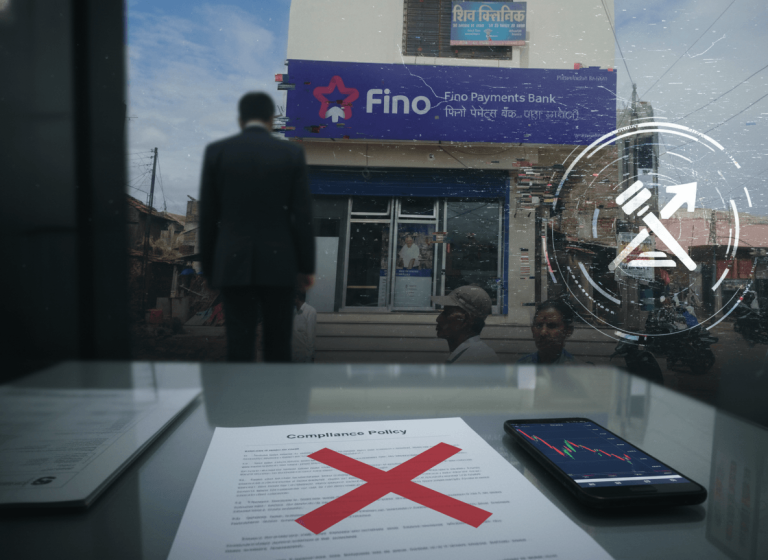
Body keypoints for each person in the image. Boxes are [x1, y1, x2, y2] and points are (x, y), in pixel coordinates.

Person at [199, 92, 315, 362]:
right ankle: (274, 402)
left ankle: (241, 402)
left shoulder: (217, 152)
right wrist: (306, 267)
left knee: (239, 344)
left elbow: (207, 217)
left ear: (240, 120)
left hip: (233, 263)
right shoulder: (291, 153)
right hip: (279, 265)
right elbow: (302, 216)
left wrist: (208, 268)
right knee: (277, 344)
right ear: (271, 119)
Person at [431, 285, 499, 364]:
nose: (438, 319)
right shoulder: (471, 354)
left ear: (466, 319)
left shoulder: (476, 359)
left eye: (447, 313)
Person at [518, 300, 579, 365]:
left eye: (552, 326)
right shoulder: (522, 365)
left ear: (568, 331)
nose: (543, 332)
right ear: (532, 329)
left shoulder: (578, 369)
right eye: (539, 326)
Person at [292, 291, 317, 363]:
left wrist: (310, 356)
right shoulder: (294, 311)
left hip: (303, 355)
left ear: (296, 297)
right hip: (293, 354)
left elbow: (311, 336)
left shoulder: (310, 311)